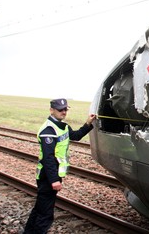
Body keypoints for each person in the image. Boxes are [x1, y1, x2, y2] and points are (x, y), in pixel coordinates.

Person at [23, 98, 96, 233]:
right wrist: (54, 180)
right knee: (45, 214)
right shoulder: (48, 130)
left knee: (40, 208)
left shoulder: (63, 126)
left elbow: (76, 136)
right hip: (47, 175)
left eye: (65, 109)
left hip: (52, 174)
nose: (63, 112)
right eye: (60, 110)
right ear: (52, 110)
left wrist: (88, 123)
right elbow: (48, 158)